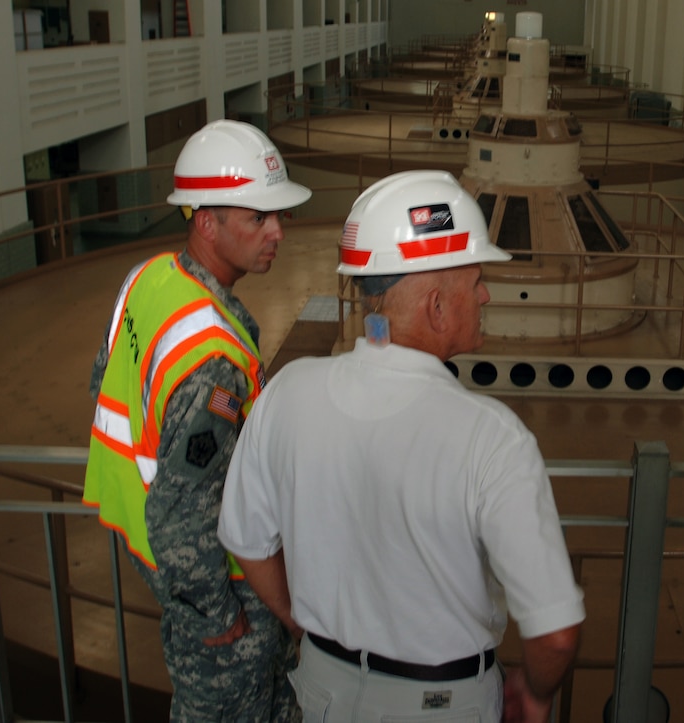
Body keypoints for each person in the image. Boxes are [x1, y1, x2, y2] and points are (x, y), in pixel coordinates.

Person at [217, 170, 585, 723]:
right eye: (476, 280)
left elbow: (246, 541)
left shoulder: (287, 392)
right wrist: (534, 695)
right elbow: (555, 635)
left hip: (320, 692)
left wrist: (304, 626)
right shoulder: (492, 437)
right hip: (442, 705)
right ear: (436, 307)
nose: (485, 295)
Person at [83, 119, 311, 721]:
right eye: (258, 218)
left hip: (167, 576)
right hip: (220, 592)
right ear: (206, 222)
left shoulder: (149, 279)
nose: (277, 232)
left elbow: (102, 385)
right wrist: (219, 614)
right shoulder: (212, 360)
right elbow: (182, 510)